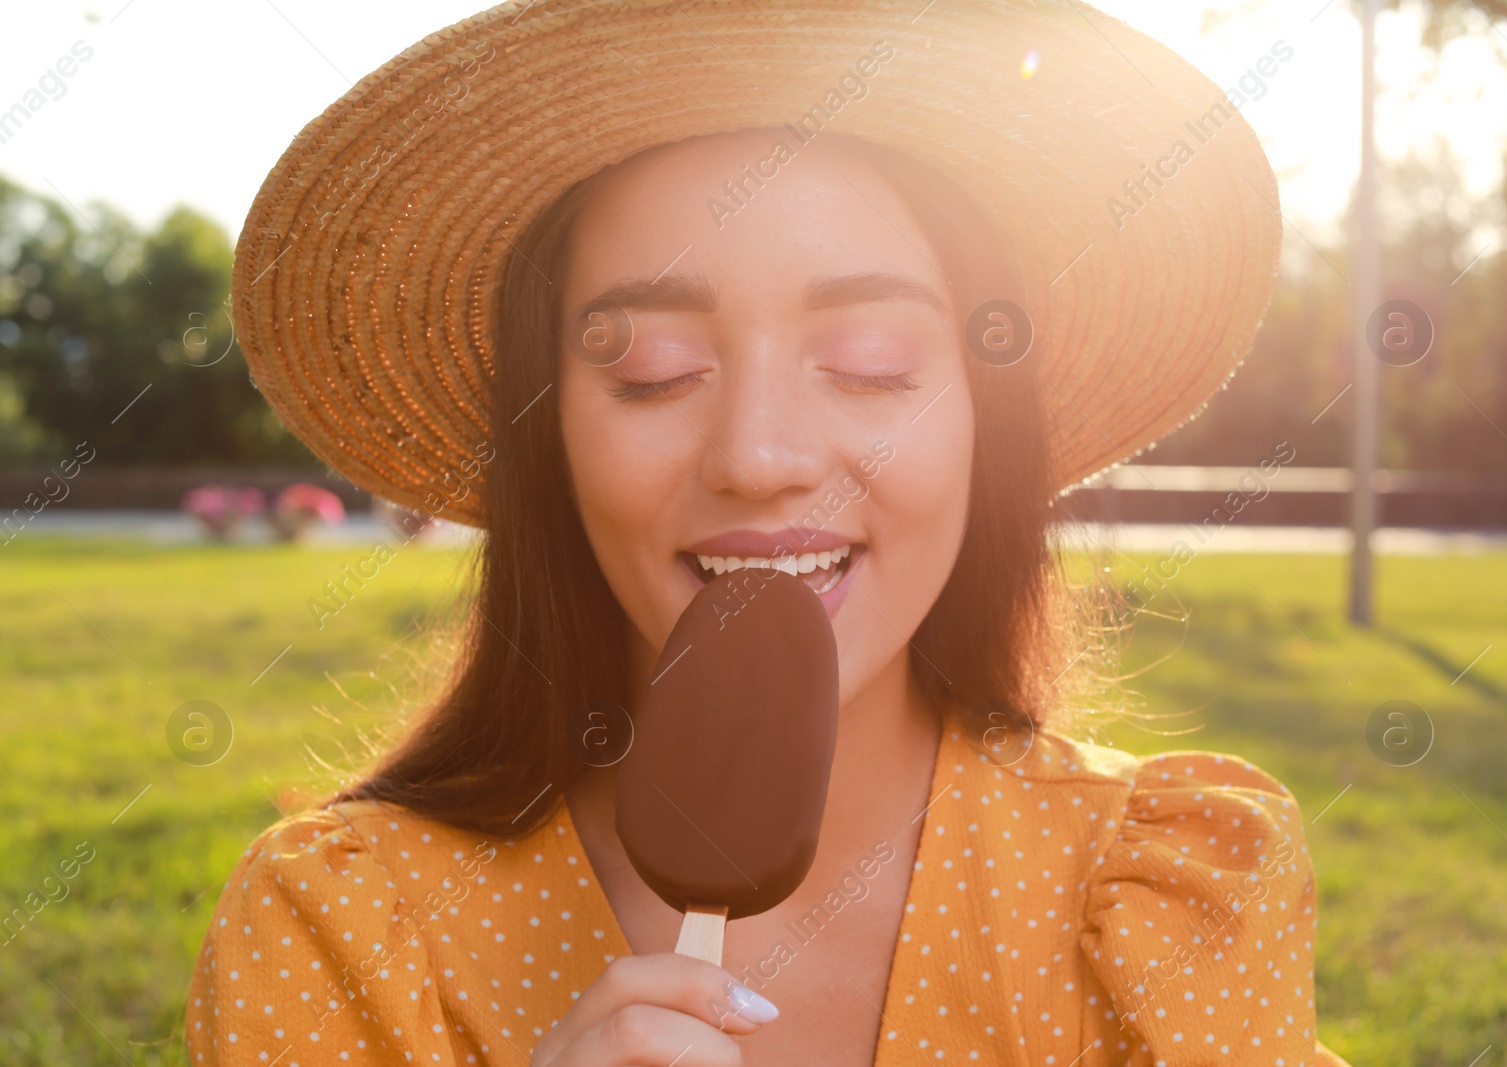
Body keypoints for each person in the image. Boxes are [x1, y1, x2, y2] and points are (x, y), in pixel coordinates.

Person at [187, 3, 1351, 1064]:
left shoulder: (1169, 889)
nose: (757, 453)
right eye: (652, 371)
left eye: (869, 363)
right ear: (548, 439)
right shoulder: (341, 925)